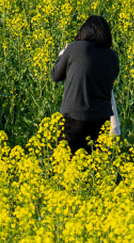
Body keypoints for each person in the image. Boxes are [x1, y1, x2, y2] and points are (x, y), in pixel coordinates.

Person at [50, 15, 120, 154]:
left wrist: (62, 55)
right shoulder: (113, 57)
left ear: (85, 31)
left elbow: (55, 75)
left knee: (66, 165)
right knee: (94, 168)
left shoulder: (75, 48)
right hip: (101, 120)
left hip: (74, 118)